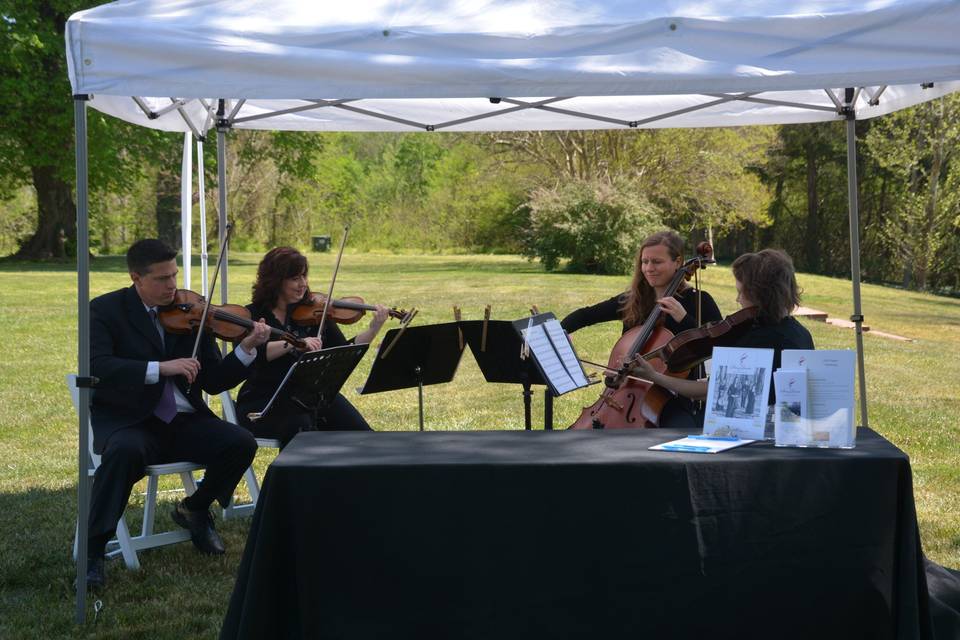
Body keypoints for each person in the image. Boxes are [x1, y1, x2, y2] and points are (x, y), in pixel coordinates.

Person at [85, 239, 271, 590]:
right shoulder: (106, 310)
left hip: (184, 422)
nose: (172, 286)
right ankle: (94, 552)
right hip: (132, 421)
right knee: (122, 454)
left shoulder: (192, 312)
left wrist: (246, 350)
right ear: (136, 278)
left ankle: (195, 509)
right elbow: (98, 366)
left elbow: (214, 382)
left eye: (174, 275)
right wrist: (160, 367)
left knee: (241, 442)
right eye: (161, 279)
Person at [561, 230, 723, 427]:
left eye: (656, 262)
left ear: (678, 262)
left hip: (675, 397)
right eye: (644, 262)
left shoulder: (699, 300)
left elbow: (720, 345)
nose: (648, 268)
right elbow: (585, 315)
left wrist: (684, 319)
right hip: (622, 393)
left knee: (678, 434)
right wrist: (562, 332)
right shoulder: (634, 300)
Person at [235, 247, 390, 447]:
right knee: (302, 430)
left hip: (309, 396)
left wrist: (373, 329)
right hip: (264, 402)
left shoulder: (314, 312)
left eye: (304, 276)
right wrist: (295, 343)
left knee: (363, 436)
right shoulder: (253, 315)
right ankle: (295, 478)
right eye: (295, 278)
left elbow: (343, 350)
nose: (303, 284)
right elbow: (256, 354)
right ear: (275, 281)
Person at [632, 248, 814, 407]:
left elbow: (710, 392)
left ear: (761, 293)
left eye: (741, 292)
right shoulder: (800, 334)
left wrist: (654, 376)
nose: (738, 299)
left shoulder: (757, 340)